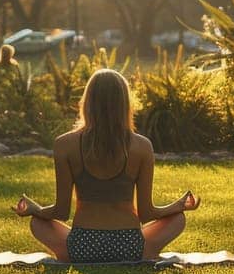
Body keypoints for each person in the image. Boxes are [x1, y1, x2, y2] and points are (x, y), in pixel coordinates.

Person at [12, 69, 200, 262]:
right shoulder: (142, 146)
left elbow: (61, 211)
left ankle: (67, 254)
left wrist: (35, 210)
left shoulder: (64, 144)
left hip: (82, 245)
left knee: (38, 223)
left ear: (87, 103)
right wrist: (177, 207)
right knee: (178, 219)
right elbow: (146, 213)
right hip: (130, 245)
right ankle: (146, 252)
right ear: (125, 104)